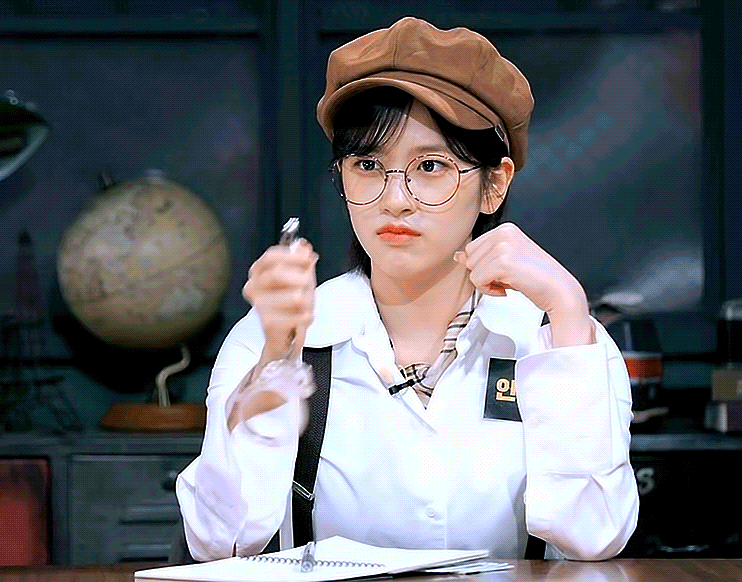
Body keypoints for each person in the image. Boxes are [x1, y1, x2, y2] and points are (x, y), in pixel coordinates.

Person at [176, 16, 639, 562]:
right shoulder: (275, 334)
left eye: (431, 166)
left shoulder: (557, 336)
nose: (395, 199)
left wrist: (567, 304)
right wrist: (276, 361)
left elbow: (594, 538)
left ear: (495, 184)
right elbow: (217, 542)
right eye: (369, 165)